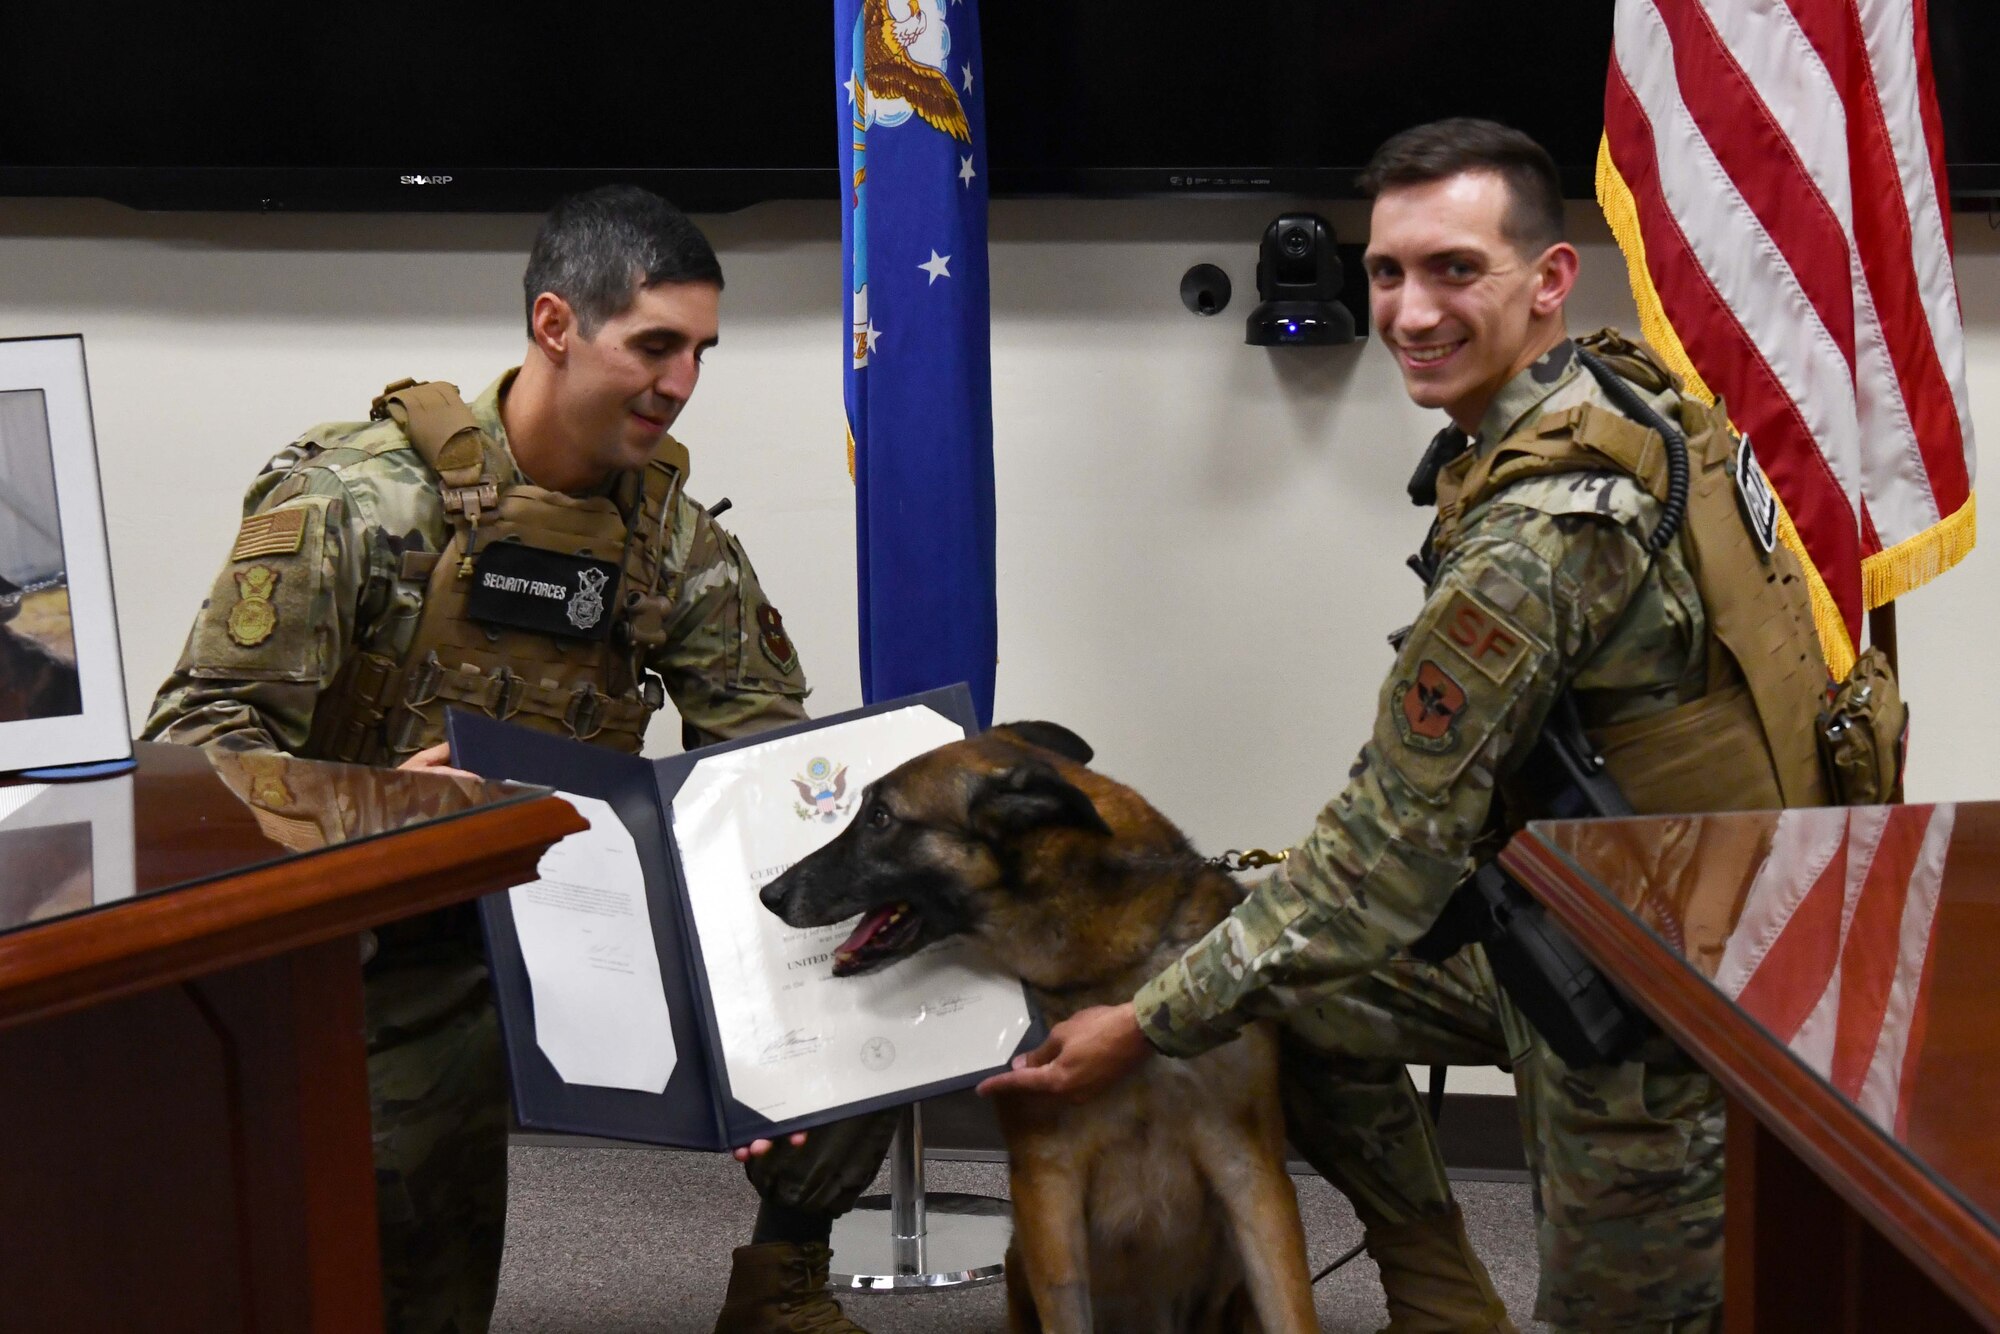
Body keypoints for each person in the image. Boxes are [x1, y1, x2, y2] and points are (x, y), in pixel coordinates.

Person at [977, 119, 1833, 1333]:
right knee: (1274, 982)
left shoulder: (1536, 534)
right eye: (1386, 271)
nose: (1409, 310)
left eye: (1453, 270)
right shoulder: (1613, 389)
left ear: (1545, 281)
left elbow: (1379, 859)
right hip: (1651, 902)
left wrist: (1146, 1016)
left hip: (1661, 989)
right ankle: (1442, 1298)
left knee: (1625, 1317)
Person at [144, 185, 898, 1334]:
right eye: (653, 344)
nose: (681, 381)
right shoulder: (357, 498)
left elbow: (758, 775)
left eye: (699, 350)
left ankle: (781, 1274)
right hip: (383, 940)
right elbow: (194, 753)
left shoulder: (675, 545)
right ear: (556, 325)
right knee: (395, 1234)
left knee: (891, 946)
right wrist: (392, 805)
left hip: (582, 915)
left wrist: (774, 995)